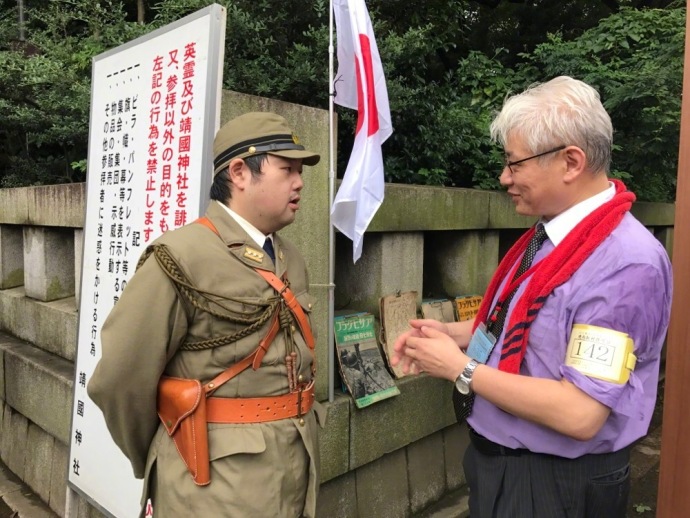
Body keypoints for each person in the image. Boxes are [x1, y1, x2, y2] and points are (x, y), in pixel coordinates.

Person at [392, 76, 672, 517]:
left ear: (571, 162)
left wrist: (459, 368)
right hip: (503, 465)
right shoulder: (553, 236)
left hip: (555, 484)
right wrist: (449, 333)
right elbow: (523, 321)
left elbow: (580, 414)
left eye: (514, 163)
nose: (504, 177)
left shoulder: (623, 264)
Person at [88, 112, 323, 517]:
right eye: (287, 169)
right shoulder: (181, 255)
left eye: (299, 171)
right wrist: (170, 447)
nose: (299, 182)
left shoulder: (289, 258)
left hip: (293, 468)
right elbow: (119, 379)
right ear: (239, 172)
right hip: (214, 489)